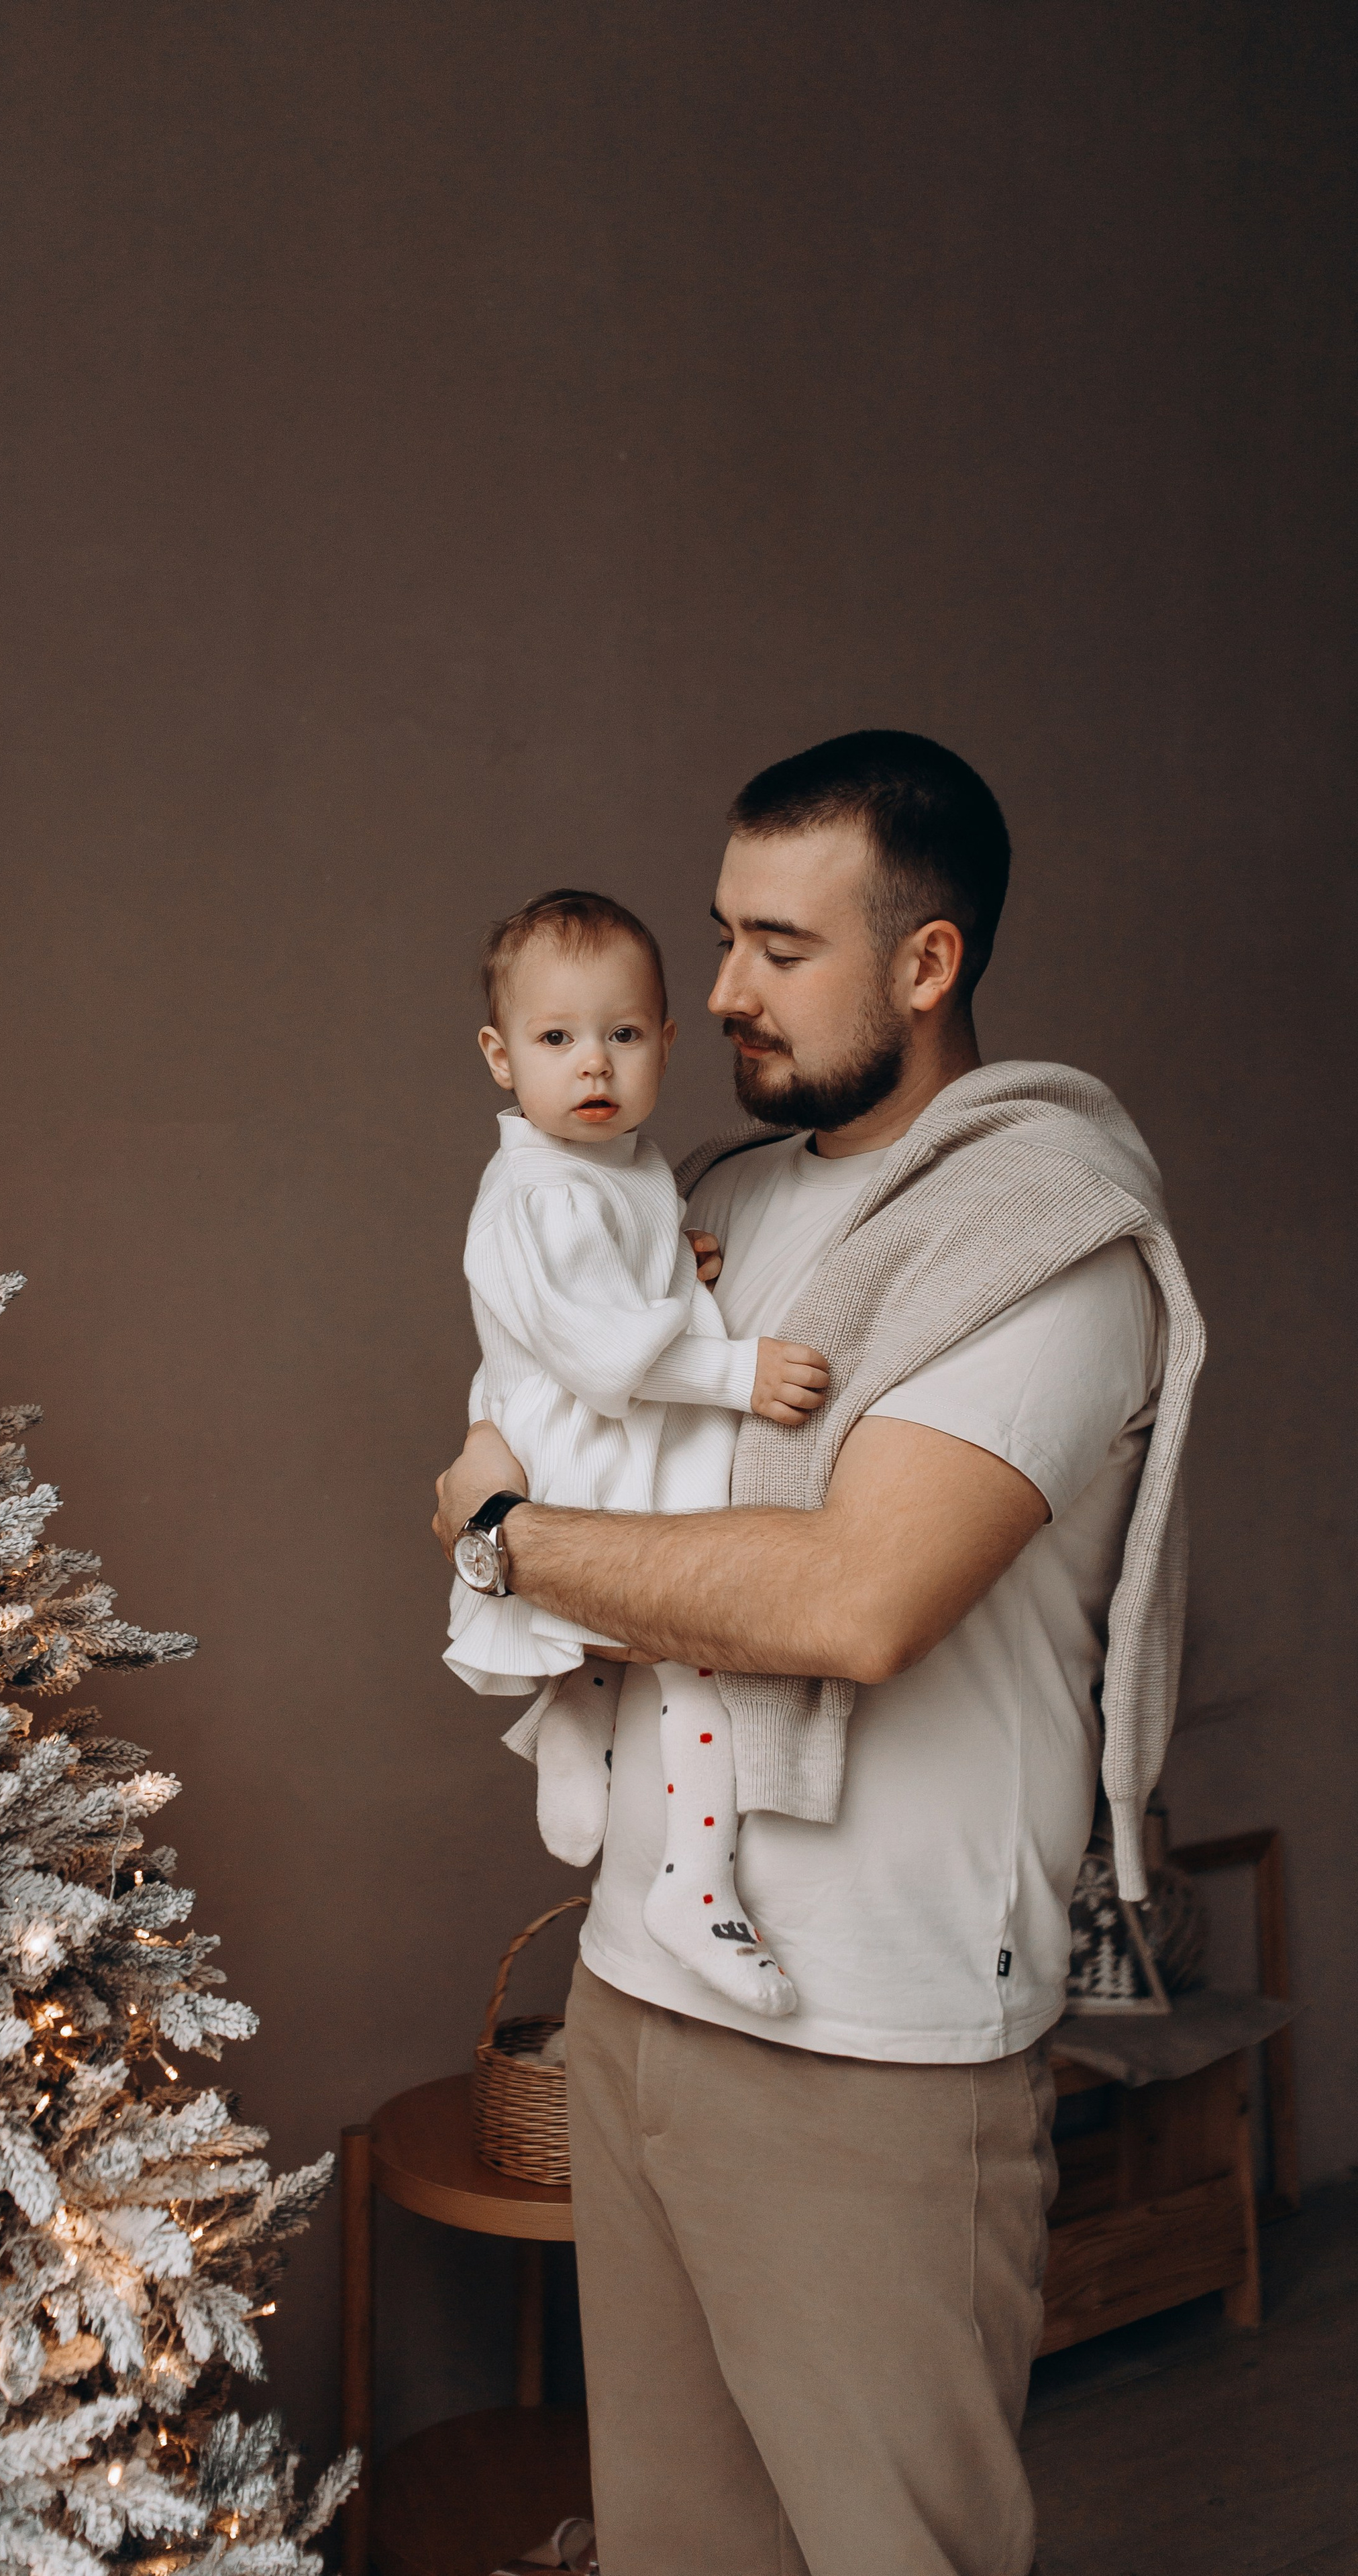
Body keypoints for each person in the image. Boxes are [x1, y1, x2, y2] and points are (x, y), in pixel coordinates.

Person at [435, 731, 1205, 2576]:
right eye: (721, 938)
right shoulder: (713, 1202)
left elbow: (852, 1600)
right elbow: (590, 1417)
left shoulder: (1042, 1246)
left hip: (876, 2037)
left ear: (927, 964)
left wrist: (503, 1540)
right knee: (683, 2549)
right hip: (638, 1994)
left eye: (781, 948)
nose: (716, 995)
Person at [446, 884, 829, 2015]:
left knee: (627, 1627)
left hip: (604, 1431)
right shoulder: (542, 1195)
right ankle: (695, 1886)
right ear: (501, 1056)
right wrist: (736, 1369)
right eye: (557, 1039)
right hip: (583, 1437)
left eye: (621, 1035)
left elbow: (623, 1275)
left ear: (664, 1042)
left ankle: (566, 1716)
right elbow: (605, 1353)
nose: (595, 1067)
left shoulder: (617, 1168)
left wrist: (676, 1265)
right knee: (694, 1647)